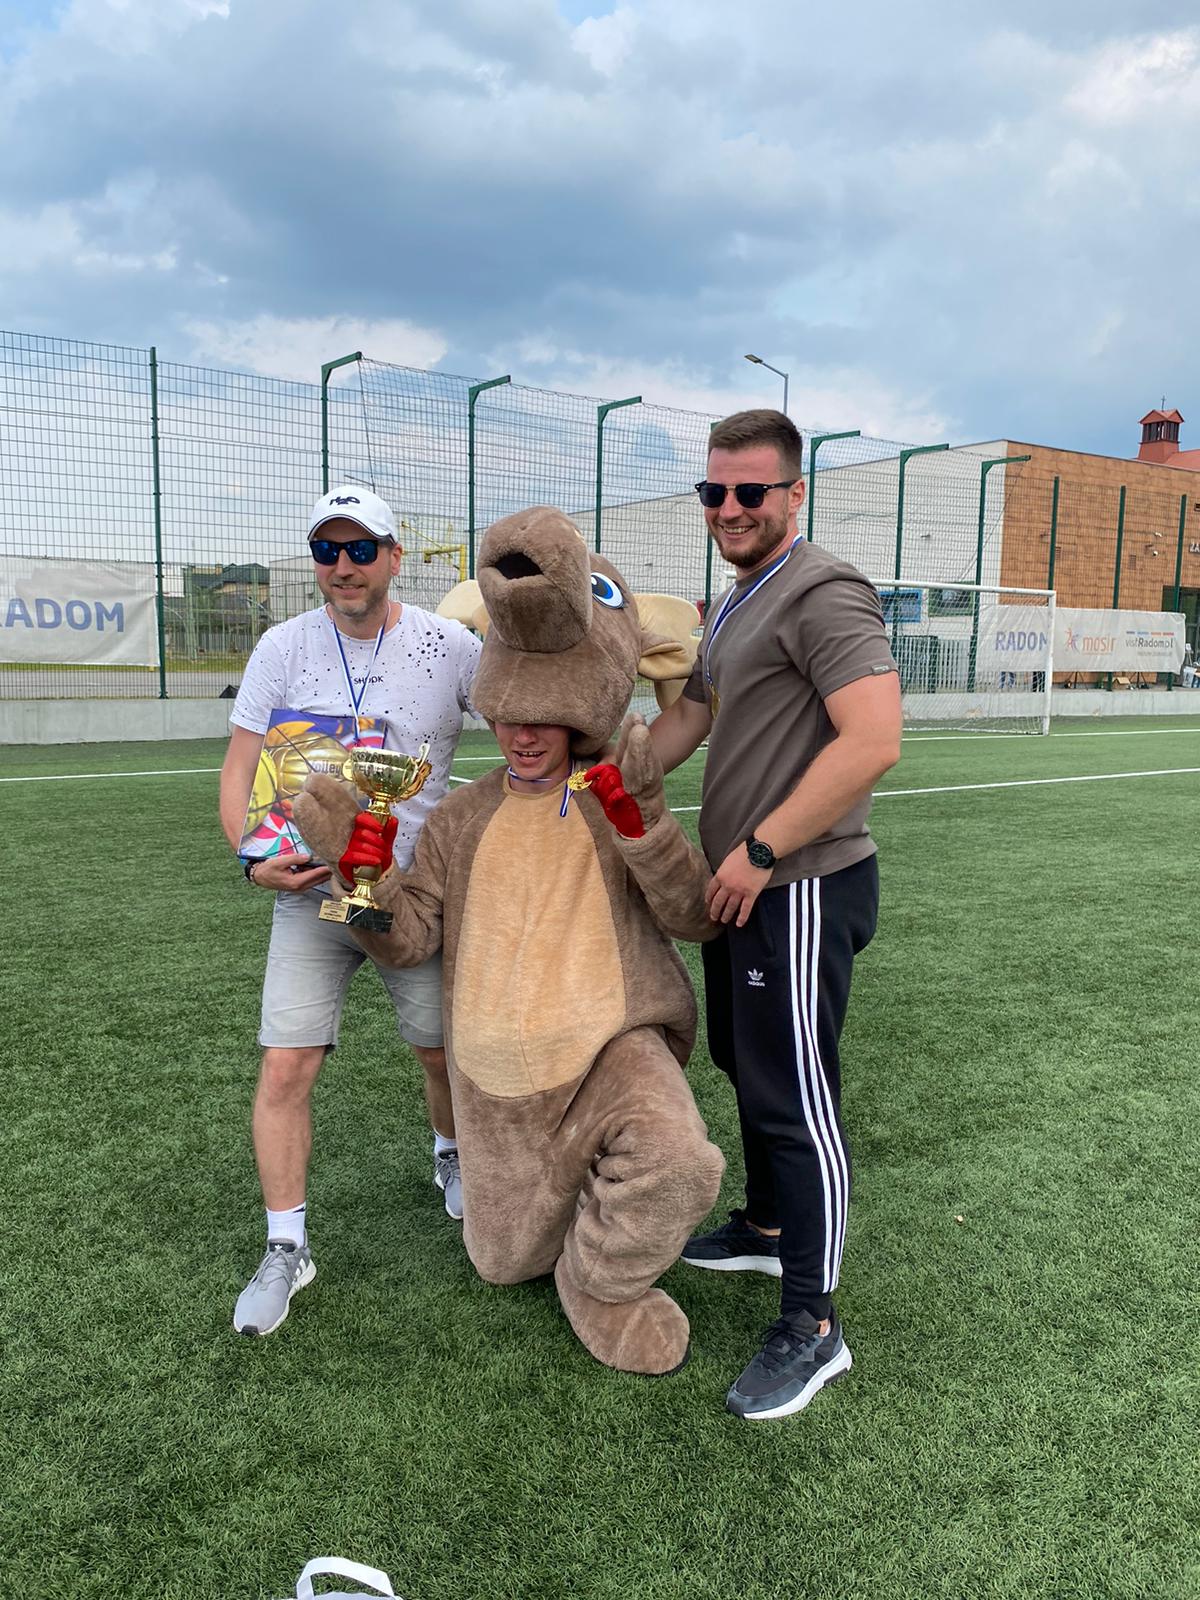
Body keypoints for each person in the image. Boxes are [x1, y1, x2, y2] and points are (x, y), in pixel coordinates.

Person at [292, 507, 724, 1376]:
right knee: (499, 1263)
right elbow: (410, 939)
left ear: (580, 715)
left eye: (546, 718)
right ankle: (568, 1214)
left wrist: (647, 826)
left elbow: (694, 915)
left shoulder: (612, 797)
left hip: (611, 1050)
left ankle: (599, 1284)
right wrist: (357, 877)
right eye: (510, 717)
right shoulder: (459, 817)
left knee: (680, 1163)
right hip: (498, 1089)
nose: (524, 736)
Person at [648, 409, 902, 1420]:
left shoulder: (822, 589)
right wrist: (599, 768)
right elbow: (691, 714)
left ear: (794, 494)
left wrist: (761, 851)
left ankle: (814, 1323)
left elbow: (873, 738)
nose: (730, 508)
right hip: (746, 885)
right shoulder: (735, 597)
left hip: (799, 884)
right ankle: (764, 1227)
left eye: (751, 491)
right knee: (746, 1066)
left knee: (797, 1097)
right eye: (714, 491)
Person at [218, 485, 481, 1337]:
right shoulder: (283, 645)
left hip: (412, 897)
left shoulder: (451, 646)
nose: (342, 565)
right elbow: (241, 766)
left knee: (439, 1054)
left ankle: (450, 1156)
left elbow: (527, 720)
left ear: (394, 557)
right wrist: (251, 859)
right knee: (285, 1068)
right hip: (310, 892)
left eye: (361, 549)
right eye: (327, 550)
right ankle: (286, 1245)